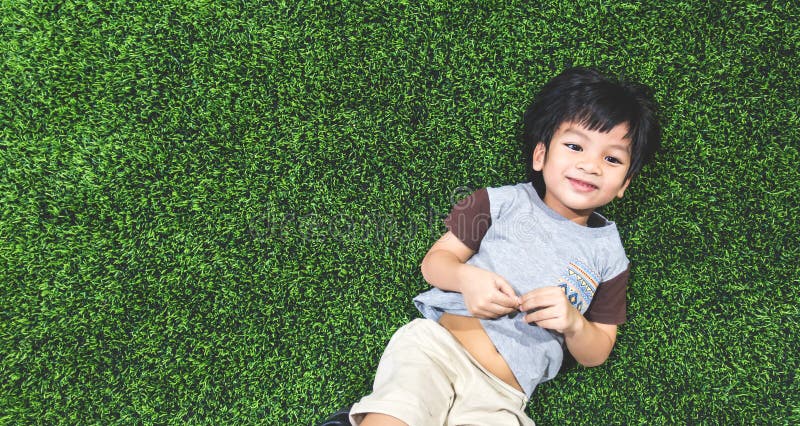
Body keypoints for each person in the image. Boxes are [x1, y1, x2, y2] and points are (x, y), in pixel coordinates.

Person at [321, 67, 661, 426]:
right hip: (438, 350)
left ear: (625, 182)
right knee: (399, 412)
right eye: (575, 146)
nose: (590, 165)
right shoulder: (496, 203)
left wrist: (575, 324)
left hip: (502, 396)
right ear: (541, 155)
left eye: (612, 159)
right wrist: (467, 279)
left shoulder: (609, 255)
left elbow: (598, 350)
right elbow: (435, 263)